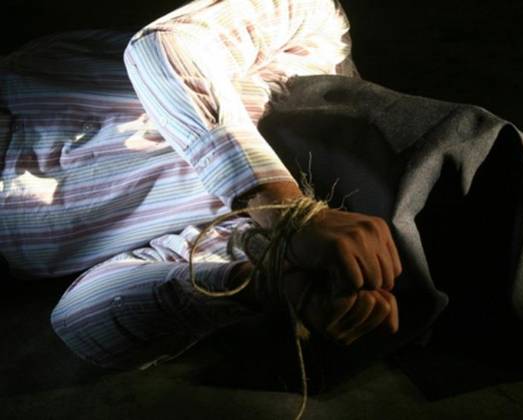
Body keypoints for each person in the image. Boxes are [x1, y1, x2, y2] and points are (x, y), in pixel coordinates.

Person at [0, 0, 403, 369]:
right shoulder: (315, 27)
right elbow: (161, 49)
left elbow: (81, 322)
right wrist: (284, 210)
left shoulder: (247, 239)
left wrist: (265, 284)